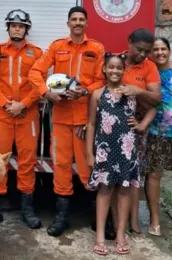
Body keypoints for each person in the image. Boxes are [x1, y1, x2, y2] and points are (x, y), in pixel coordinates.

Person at [28, 6, 105, 237]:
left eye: (82, 19)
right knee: (61, 167)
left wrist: (84, 92)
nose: (78, 23)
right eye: (74, 19)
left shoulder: (97, 48)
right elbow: (35, 72)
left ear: (87, 23)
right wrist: (46, 93)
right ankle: (61, 217)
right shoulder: (57, 46)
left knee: (87, 167)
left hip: (85, 119)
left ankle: (99, 218)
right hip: (60, 117)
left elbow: (103, 80)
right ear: (68, 23)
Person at [86, 53, 156, 255]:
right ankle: (100, 235)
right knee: (105, 190)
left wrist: (142, 125)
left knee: (125, 191)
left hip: (127, 151)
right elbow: (91, 124)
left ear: (124, 71)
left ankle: (120, 234)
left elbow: (153, 107)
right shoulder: (97, 95)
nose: (115, 71)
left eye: (119, 68)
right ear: (104, 69)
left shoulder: (131, 93)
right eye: (111, 67)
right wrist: (89, 153)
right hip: (105, 152)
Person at [0, 9, 43, 230]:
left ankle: (27, 209)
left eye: (21, 26)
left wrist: (23, 104)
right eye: (13, 25)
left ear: (26, 29)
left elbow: (41, 83)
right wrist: (6, 103)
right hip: (2, 115)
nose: (17, 28)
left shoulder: (37, 53)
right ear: (8, 28)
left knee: (27, 162)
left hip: (28, 116)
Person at [109, 29, 161, 242]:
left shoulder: (149, 67)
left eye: (146, 51)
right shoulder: (116, 62)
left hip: (135, 130)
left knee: (133, 177)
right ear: (129, 42)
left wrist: (138, 91)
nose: (143, 55)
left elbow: (156, 100)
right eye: (139, 49)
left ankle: (133, 222)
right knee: (113, 176)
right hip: (112, 129)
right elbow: (100, 90)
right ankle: (114, 221)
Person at [144, 37, 172, 237]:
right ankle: (155, 219)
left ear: (169, 51)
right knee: (154, 175)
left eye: (163, 49)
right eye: (156, 49)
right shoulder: (149, 73)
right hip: (157, 133)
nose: (160, 52)